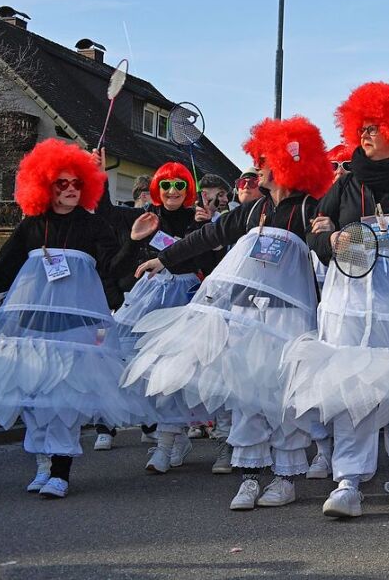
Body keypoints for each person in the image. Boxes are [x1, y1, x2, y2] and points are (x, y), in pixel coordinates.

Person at [124, 116, 334, 511]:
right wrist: (163, 260)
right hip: (246, 316)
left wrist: (328, 233)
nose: (258, 167)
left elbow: (324, 250)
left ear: (286, 165)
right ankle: (251, 476)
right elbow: (209, 235)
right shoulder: (253, 211)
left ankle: (286, 477)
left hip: (288, 319)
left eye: (265, 160)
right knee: (246, 394)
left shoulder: (309, 207)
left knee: (282, 397)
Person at [282, 82, 389, 518]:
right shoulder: (347, 184)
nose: (365, 134)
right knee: (352, 385)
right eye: (361, 126)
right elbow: (315, 232)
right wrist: (331, 238)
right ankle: (349, 480)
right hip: (353, 298)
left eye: (375, 127)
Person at [0, 139, 144, 498]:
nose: (72, 189)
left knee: (65, 403)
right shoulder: (30, 227)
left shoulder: (94, 227)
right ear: (44, 185)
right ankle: (43, 464)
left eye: (77, 182)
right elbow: (1, 272)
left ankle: (61, 471)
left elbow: (113, 269)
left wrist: (132, 242)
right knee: (35, 399)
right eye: (63, 183)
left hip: (76, 331)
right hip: (32, 330)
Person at [99, 162, 223, 470]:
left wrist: (207, 232)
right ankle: (173, 439)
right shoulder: (147, 214)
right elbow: (107, 214)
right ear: (157, 188)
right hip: (148, 299)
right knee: (145, 372)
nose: (172, 191)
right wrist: (99, 176)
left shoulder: (198, 219)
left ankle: (171, 444)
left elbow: (210, 265)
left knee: (181, 375)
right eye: (165, 185)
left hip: (186, 300)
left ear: (188, 189)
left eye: (179, 185)